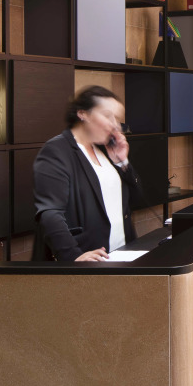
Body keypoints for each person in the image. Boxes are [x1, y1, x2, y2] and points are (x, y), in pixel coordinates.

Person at [32, 86, 141, 261]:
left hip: (121, 253)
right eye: (107, 116)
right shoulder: (56, 151)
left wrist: (122, 162)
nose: (115, 124)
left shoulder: (105, 149)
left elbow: (135, 200)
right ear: (83, 113)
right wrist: (73, 256)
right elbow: (50, 213)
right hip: (88, 260)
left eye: (117, 118)